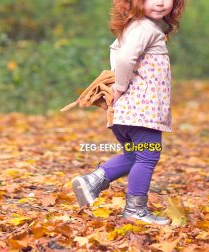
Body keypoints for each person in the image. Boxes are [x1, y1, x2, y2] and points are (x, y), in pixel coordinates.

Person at [71, 0, 186, 225]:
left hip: (127, 113)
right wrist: (120, 87)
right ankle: (136, 210)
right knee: (148, 156)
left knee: (134, 155)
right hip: (141, 111)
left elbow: (116, 52)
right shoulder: (144, 27)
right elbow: (125, 59)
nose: (161, 2)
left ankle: (93, 180)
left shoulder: (137, 27)